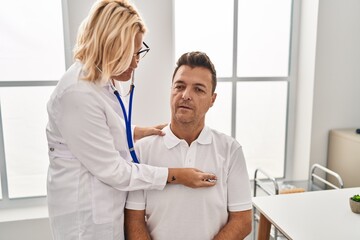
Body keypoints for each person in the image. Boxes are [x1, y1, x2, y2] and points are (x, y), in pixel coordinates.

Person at [45, 1, 216, 240]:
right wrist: (175, 175)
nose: (137, 61)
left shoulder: (100, 81)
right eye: (132, 53)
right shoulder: (77, 93)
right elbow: (114, 170)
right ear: (110, 47)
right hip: (85, 220)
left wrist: (137, 131)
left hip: (106, 210)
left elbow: (98, 130)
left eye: (139, 51)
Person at [125, 51, 253, 240]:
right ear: (171, 90)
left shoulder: (230, 150)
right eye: (180, 86)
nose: (186, 95)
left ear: (212, 100)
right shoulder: (142, 151)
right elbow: (134, 220)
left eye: (198, 89)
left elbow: (242, 220)